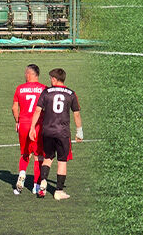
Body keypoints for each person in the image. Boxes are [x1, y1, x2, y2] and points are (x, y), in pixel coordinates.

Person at [29, 68, 82, 200]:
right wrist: (79, 131)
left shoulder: (46, 92)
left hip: (47, 131)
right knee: (62, 161)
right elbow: (76, 114)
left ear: (54, 79)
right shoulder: (71, 93)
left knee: (48, 158)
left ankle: (43, 181)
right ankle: (58, 191)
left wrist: (32, 128)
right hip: (62, 133)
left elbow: (37, 111)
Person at [11, 64, 46, 195]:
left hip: (24, 124)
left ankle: (22, 174)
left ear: (30, 74)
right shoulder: (44, 89)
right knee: (38, 156)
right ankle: (36, 186)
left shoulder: (20, 89)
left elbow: (14, 108)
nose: (24, 75)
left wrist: (17, 121)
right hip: (38, 125)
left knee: (25, 154)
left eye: (26, 73)